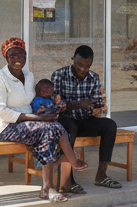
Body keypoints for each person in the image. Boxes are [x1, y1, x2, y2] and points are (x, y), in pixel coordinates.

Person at [0, 37, 88, 203]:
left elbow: (34, 99)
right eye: (12, 55)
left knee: (53, 126)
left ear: (25, 57)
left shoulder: (29, 76)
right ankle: (59, 173)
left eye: (21, 55)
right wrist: (36, 118)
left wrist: (52, 106)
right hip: (5, 126)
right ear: (6, 58)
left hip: (29, 122)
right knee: (47, 130)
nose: (17, 59)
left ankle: (49, 186)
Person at [51, 44, 123, 192]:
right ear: (73, 59)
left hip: (85, 120)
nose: (83, 69)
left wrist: (96, 106)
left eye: (87, 66)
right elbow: (54, 106)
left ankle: (101, 175)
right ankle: (66, 180)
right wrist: (75, 105)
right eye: (79, 65)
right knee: (70, 127)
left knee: (110, 125)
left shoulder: (94, 77)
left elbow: (97, 103)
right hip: (65, 120)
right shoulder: (59, 75)